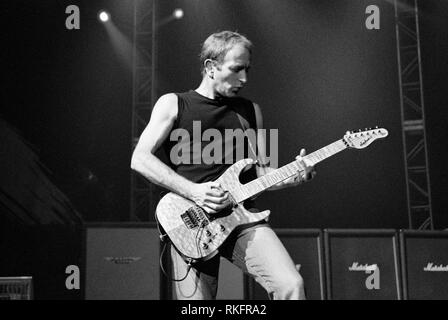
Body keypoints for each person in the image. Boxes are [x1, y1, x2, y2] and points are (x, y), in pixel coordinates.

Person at [131, 30, 316, 300]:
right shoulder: (174, 104)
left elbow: (263, 171)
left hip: (242, 217)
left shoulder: (251, 111)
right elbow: (140, 159)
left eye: (247, 70)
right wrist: (193, 191)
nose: (244, 79)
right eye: (236, 69)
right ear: (210, 67)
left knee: (291, 285)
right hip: (190, 220)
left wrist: (294, 175)